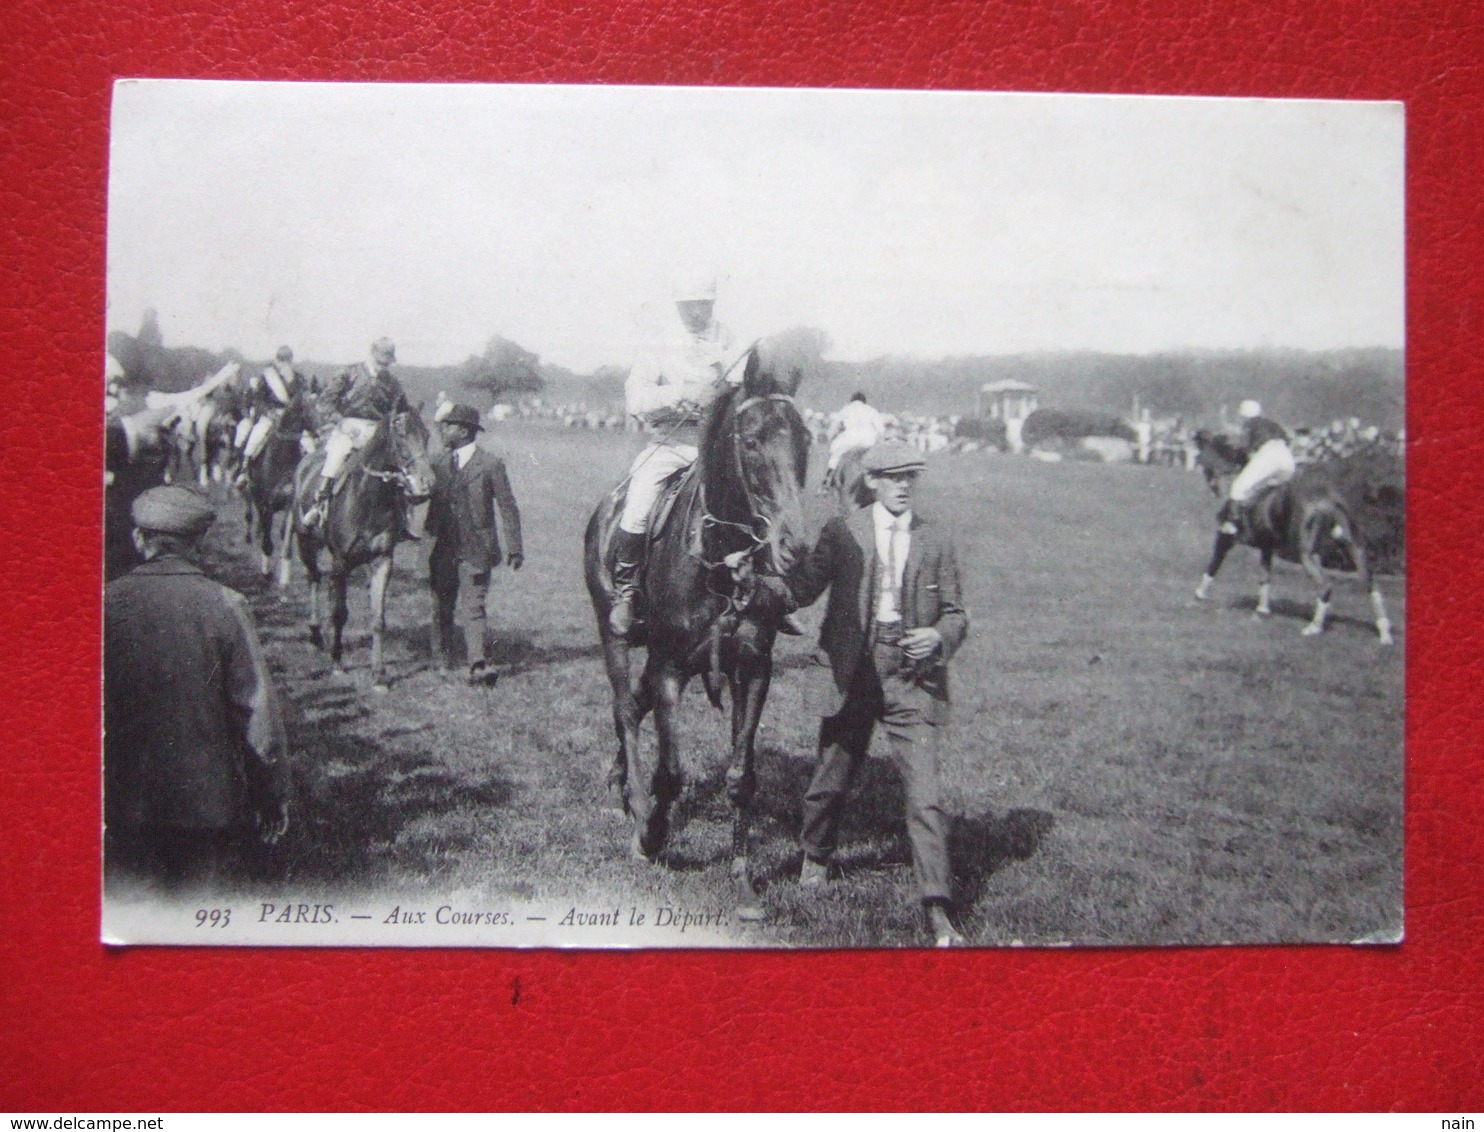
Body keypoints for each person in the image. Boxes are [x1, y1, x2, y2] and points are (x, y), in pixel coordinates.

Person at [752, 441, 971, 946]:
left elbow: (957, 613)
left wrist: (938, 636)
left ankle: (937, 907)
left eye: (910, 477)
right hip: (851, 672)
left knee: (927, 795)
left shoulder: (935, 539)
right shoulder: (843, 531)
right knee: (831, 776)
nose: (903, 485)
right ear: (871, 481)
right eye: (893, 477)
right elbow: (802, 588)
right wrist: (759, 586)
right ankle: (816, 854)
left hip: (911, 678)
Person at [104, 485, 290, 892]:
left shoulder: (106, 603)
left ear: (139, 539)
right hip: (205, 800)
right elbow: (256, 710)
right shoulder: (226, 603)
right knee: (195, 919)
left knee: (129, 917)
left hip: (120, 797)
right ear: (199, 544)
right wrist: (270, 792)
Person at [607, 273, 743, 638]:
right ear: (679, 306)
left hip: (717, 447)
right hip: (672, 442)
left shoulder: (728, 337)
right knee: (639, 501)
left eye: (706, 304)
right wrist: (677, 394)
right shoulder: (659, 342)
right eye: (691, 305)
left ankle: (766, 595)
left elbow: (741, 384)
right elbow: (637, 396)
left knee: (754, 504)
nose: (699, 312)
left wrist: (722, 393)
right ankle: (627, 591)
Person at [426, 404, 524, 683]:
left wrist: (515, 547)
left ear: (464, 431)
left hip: (477, 548)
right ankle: (441, 658)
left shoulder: (490, 464)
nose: (443, 431)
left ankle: (477, 663)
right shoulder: (437, 463)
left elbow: (508, 506)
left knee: (473, 605)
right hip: (442, 547)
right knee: (441, 604)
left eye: (449, 426)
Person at [303, 337, 412, 528]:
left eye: (388, 359)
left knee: (399, 464)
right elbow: (325, 402)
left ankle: (402, 516)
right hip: (348, 427)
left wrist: (398, 424)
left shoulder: (393, 382)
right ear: (372, 352)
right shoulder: (349, 373)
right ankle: (320, 503)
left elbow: (401, 410)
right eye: (382, 358)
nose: (384, 363)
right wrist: (341, 422)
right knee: (337, 455)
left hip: (378, 430)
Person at [1220, 399, 1296, 535]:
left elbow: (1246, 450)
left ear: (1244, 414)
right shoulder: (1272, 424)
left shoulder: (1249, 425)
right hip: (1286, 458)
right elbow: (1288, 440)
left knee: (1237, 488)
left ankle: (1232, 523)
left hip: (1267, 455)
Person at [233, 345, 306, 485]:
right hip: (270, 416)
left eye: (287, 360)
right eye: (281, 359)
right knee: (257, 434)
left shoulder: (297, 378)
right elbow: (258, 399)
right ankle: (244, 469)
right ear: (277, 360)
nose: (284, 363)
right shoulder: (268, 377)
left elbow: (301, 398)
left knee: (307, 442)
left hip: (291, 419)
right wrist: (269, 412)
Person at [825, 391, 887, 486]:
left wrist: (829, 437)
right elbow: (881, 430)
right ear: (864, 401)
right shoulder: (872, 410)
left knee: (835, 457)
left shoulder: (846, 409)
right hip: (869, 441)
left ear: (852, 400)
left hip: (848, 440)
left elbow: (834, 427)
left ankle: (826, 483)